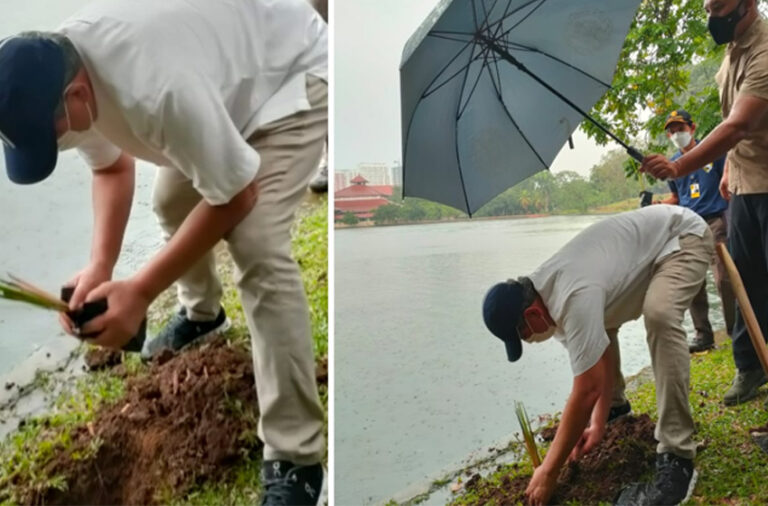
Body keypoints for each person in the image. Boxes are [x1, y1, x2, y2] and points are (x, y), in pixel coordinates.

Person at [0, 1, 327, 503]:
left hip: (289, 77)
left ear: (78, 95)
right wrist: (101, 266)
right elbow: (111, 168)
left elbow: (236, 197)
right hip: (219, 85)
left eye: (54, 133)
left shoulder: (154, 90)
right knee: (171, 201)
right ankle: (203, 314)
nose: (58, 141)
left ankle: (296, 455)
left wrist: (141, 291)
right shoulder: (58, 69)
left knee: (257, 246)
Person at [483, 205, 712, 506]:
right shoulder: (552, 305)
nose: (529, 341)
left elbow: (588, 388)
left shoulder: (572, 293)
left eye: (523, 335)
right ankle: (618, 408)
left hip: (681, 237)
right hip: (649, 256)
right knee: (603, 327)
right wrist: (599, 422)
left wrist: (548, 472)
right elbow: (598, 356)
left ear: (533, 314)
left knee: (659, 314)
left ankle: (677, 454)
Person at [641, 0, 768, 406]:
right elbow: (736, 126)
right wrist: (730, 166)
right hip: (746, 183)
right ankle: (750, 366)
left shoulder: (765, 50)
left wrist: (678, 167)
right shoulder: (731, 51)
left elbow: (739, 123)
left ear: (747, 4)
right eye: (708, 8)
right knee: (745, 280)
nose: (713, 17)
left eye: (720, 8)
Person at [653, 109, 735, 352]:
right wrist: (658, 205)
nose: (677, 134)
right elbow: (677, 198)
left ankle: (734, 330)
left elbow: (728, 178)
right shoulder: (673, 164)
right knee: (693, 281)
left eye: (680, 129)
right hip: (688, 224)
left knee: (724, 278)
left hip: (716, 221)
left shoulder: (713, 153)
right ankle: (703, 335)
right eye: (672, 131)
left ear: (692, 128)